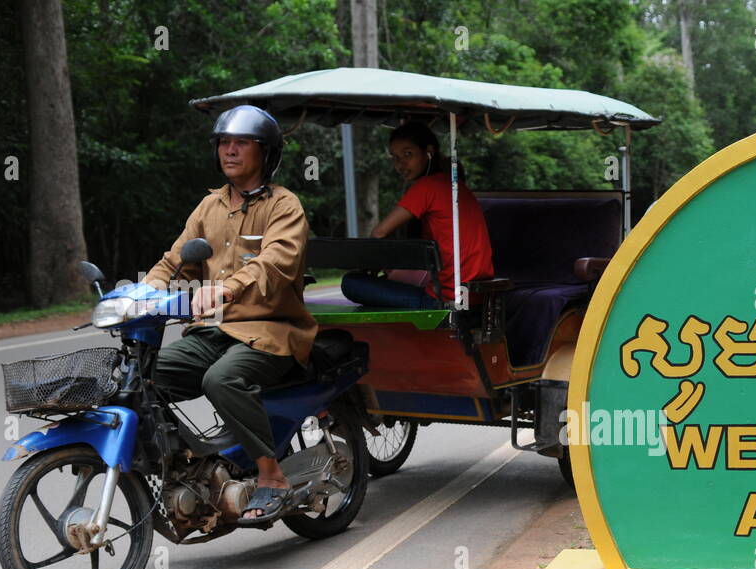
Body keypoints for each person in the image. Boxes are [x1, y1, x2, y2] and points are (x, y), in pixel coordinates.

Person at [145, 104, 317, 527]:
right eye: (224, 142)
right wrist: (143, 292)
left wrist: (226, 286)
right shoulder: (208, 207)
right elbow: (175, 262)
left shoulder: (284, 206)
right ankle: (189, 464)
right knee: (143, 376)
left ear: (266, 153)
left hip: (271, 331)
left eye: (242, 142)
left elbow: (276, 262)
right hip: (212, 331)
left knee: (221, 380)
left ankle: (272, 477)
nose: (230, 150)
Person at [341, 122, 494, 309]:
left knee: (351, 282)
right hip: (476, 295)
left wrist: (370, 270)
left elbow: (378, 234)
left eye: (408, 154)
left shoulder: (427, 187)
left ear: (428, 152)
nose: (400, 164)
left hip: (444, 299)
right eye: (395, 157)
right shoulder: (456, 187)